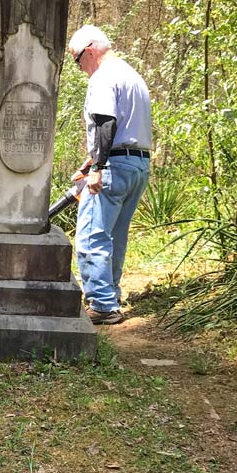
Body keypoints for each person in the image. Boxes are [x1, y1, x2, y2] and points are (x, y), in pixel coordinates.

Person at [68, 25, 152, 325]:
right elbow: (125, 126)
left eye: (78, 61)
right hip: (138, 164)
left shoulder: (102, 77)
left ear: (89, 51)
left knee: (92, 236)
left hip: (114, 168)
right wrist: (91, 159)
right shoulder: (131, 75)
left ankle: (102, 305)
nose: (80, 69)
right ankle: (110, 294)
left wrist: (98, 168)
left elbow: (106, 122)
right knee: (115, 235)